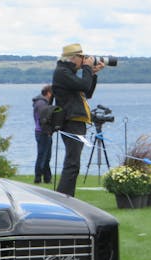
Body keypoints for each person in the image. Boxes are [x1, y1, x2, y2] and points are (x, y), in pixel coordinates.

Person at [52, 43, 104, 196]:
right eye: (82, 57)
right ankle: (63, 197)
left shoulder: (68, 72)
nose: (84, 60)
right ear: (73, 58)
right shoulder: (61, 72)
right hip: (71, 121)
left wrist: (92, 73)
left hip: (76, 121)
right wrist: (88, 69)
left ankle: (65, 196)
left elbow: (87, 91)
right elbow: (84, 85)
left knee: (74, 162)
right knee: (72, 163)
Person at [32, 84, 53, 184]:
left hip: (41, 131)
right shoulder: (42, 104)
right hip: (43, 132)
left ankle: (47, 177)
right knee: (42, 155)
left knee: (46, 155)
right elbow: (43, 118)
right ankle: (38, 177)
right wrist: (48, 129)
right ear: (48, 93)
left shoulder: (40, 102)